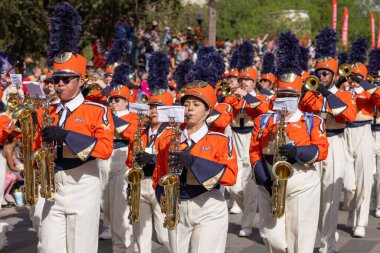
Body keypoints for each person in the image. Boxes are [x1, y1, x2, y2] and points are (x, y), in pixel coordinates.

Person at [39, 3, 114, 253]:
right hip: (53, 188)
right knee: (49, 248)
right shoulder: (49, 110)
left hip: (82, 185)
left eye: (65, 80)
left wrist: (67, 136)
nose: (59, 85)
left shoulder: (98, 110)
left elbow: (104, 149)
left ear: (81, 81)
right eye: (56, 80)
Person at [250, 31, 328, 253]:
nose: (286, 100)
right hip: (270, 180)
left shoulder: (311, 121)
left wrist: (296, 151)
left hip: (302, 180)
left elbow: (321, 151)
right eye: (282, 94)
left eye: (292, 95)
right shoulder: (264, 120)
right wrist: (265, 181)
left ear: (300, 96)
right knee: (272, 238)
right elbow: (254, 151)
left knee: (300, 240)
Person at [153, 50, 238, 253]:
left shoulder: (220, 140)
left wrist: (194, 162)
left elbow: (230, 176)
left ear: (208, 110)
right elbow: (159, 173)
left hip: (208, 206)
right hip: (177, 205)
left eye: (196, 104)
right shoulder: (167, 138)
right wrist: (161, 196)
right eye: (186, 104)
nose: (189, 109)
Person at [299, 27, 357, 253]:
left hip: (335, 143)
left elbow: (349, 116)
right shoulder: (310, 93)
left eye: (325, 73)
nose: (321, 77)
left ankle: (327, 245)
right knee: (313, 195)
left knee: (332, 197)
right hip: (313, 145)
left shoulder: (344, 95)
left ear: (334, 75)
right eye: (319, 72)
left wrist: (328, 95)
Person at [221, 41, 270, 237]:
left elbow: (264, 109)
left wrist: (246, 96)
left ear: (254, 82)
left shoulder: (262, 97)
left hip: (251, 139)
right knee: (234, 187)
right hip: (234, 138)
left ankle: (247, 222)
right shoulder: (232, 97)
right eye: (241, 80)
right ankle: (247, 211)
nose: (243, 83)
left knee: (249, 186)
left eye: (247, 80)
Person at [126, 51, 172, 253]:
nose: (153, 111)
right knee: (140, 235)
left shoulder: (173, 133)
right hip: (140, 184)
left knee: (166, 235)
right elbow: (130, 160)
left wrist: (152, 158)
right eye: (151, 107)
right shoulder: (140, 132)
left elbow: (173, 160)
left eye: (158, 107)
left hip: (160, 184)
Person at [97, 63, 136, 251]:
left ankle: (121, 241)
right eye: (111, 100)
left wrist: (113, 119)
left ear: (126, 101)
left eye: (118, 100)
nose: (113, 103)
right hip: (103, 157)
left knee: (120, 202)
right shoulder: (105, 113)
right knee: (106, 204)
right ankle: (117, 231)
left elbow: (130, 134)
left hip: (122, 155)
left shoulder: (133, 117)